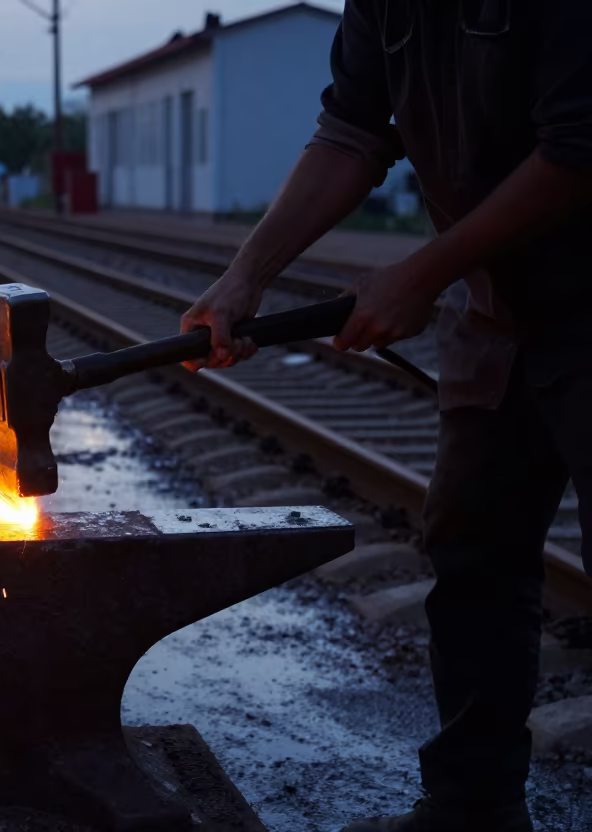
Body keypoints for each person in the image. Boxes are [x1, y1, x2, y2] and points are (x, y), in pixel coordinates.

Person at [179, 2, 592, 830]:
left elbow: (580, 148)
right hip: (499, 316)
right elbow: (353, 132)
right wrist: (245, 276)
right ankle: (473, 809)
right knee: (473, 554)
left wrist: (421, 272)